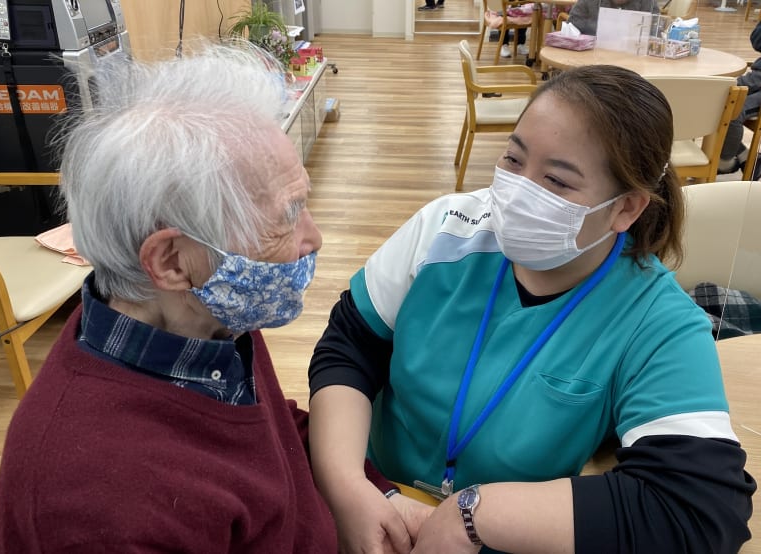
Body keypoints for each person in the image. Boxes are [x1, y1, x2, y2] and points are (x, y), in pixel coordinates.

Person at [308, 65, 756, 553]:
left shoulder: (655, 320)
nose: (519, 191)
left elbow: (700, 508)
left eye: (557, 181)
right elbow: (349, 345)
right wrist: (349, 487)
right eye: (513, 160)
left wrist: (473, 517)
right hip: (371, 497)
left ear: (627, 208)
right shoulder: (445, 230)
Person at [0, 42, 397, 552]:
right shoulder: (100, 505)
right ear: (172, 261)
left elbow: (269, 436)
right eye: (287, 216)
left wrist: (372, 490)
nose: (314, 239)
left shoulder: (204, 324)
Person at [719, 20, 761, 176]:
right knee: (717, 97)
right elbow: (756, 41)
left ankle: (725, 162)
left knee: (734, 111)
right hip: (756, 76)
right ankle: (747, 158)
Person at [568, 0, 657, 35]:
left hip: (634, 62)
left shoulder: (648, 3)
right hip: (591, 60)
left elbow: (655, 31)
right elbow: (572, 26)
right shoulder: (589, 2)